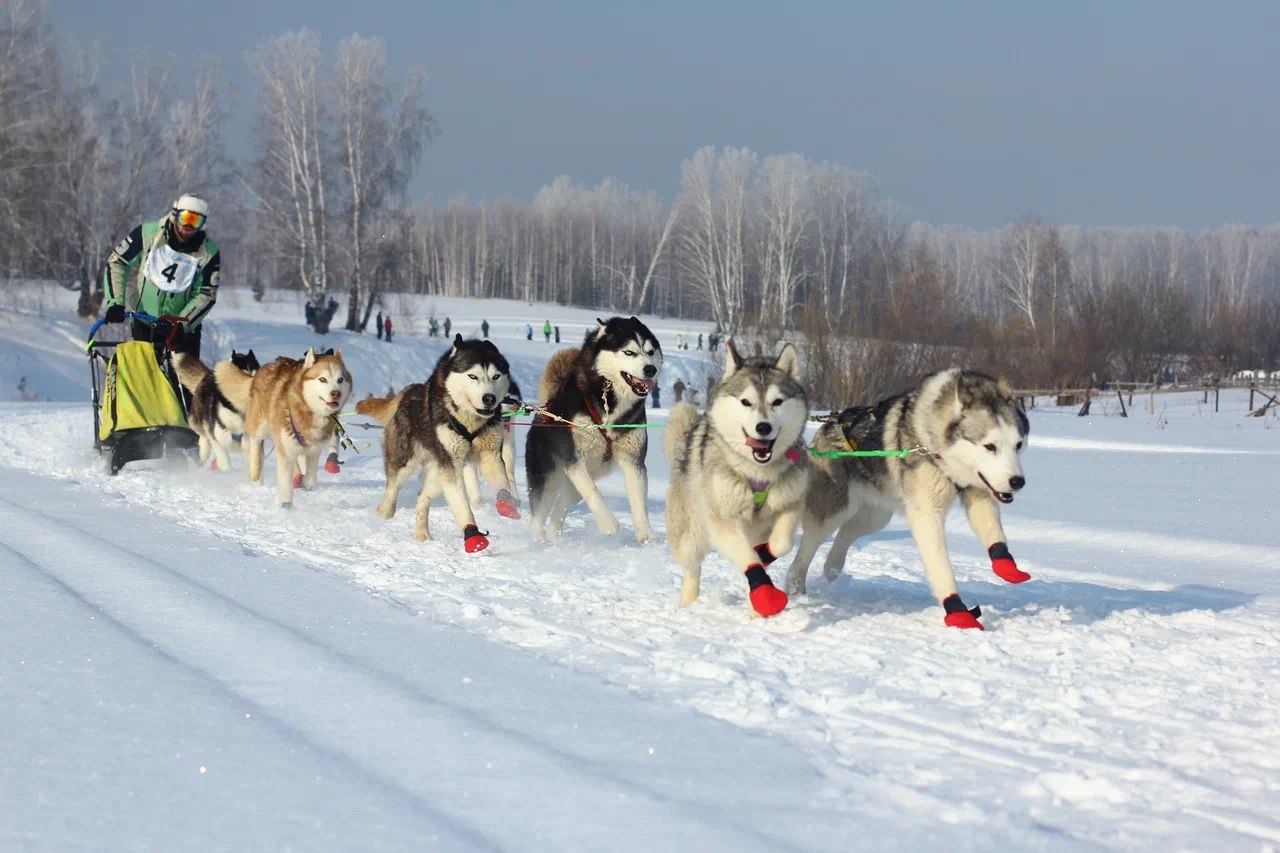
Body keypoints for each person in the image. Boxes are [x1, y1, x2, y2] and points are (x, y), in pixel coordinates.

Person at [103, 193, 220, 359]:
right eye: (186, 218)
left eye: (196, 221)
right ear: (175, 215)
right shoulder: (147, 234)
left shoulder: (208, 252)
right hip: (144, 322)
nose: (188, 226)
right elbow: (117, 262)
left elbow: (206, 294)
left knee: (183, 383)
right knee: (143, 380)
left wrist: (181, 325)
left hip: (182, 332)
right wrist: (116, 303)